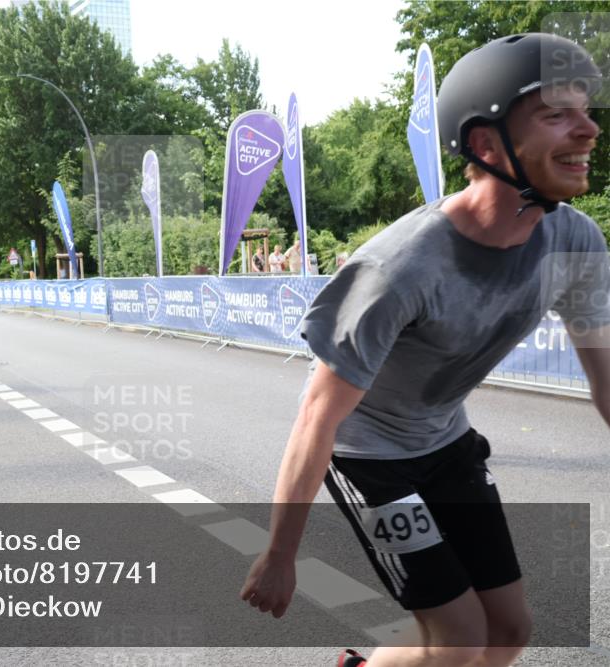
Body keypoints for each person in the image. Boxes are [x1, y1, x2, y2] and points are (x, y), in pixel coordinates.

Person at [240, 33, 609, 667]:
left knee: (509, 630)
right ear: (486, 145)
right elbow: (317, 417)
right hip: (370, 458)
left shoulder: (574, 242)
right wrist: (279, 555)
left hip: (445, 442)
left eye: (586, 111)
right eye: (555, 114)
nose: (589, 130)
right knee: (459, 637)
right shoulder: (399, 268)